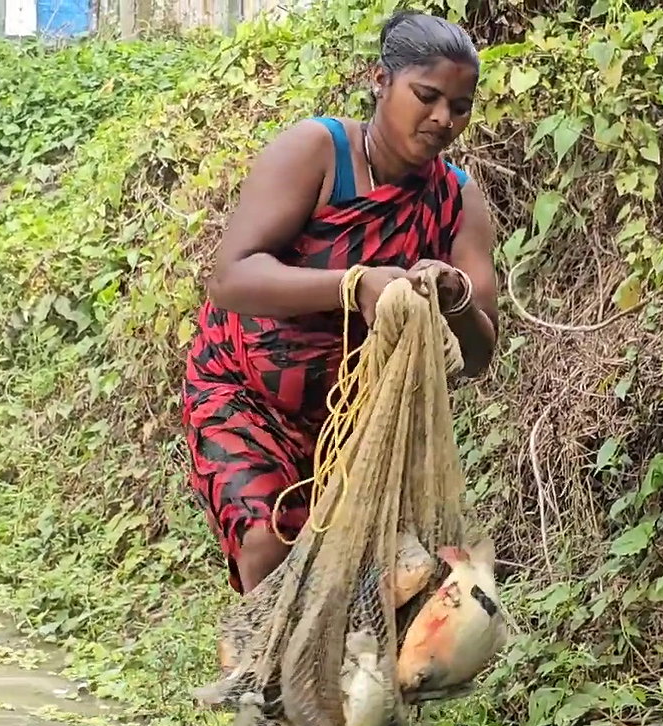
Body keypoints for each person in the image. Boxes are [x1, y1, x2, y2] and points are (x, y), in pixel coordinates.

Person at [180, 10, 499, 668]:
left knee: (355, 584)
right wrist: (354, 285)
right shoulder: (318, 153)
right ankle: (270, 720)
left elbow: (480, 355)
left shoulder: (458, 203)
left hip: (358, 421)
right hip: (242, 387)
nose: (443, 118)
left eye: (460, 107)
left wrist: (454, 297)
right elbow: (232, 277)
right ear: (382, 81)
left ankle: (317, 715)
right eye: (427, 96)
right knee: (268, 543)